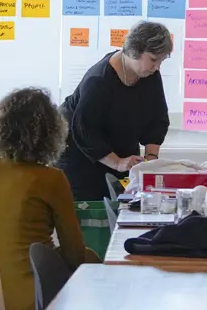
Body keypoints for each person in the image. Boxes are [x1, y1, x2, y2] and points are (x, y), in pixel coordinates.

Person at [0, 88, 97, 310]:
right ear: (50, 134)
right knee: (92, 261)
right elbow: (75, 254)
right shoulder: (51, 179)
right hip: (39, 296)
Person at [57, 21, 173, 201]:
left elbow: (157, 119)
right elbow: (84, 130)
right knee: (95, 211)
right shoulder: (98, 81)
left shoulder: (149, 75)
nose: (157, 67)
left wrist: (150, 159)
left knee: (124, 204)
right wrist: (117, 162)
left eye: (162, 60)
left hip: (119, 147)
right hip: (82, 155)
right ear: (135, 50)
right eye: (153, 59)